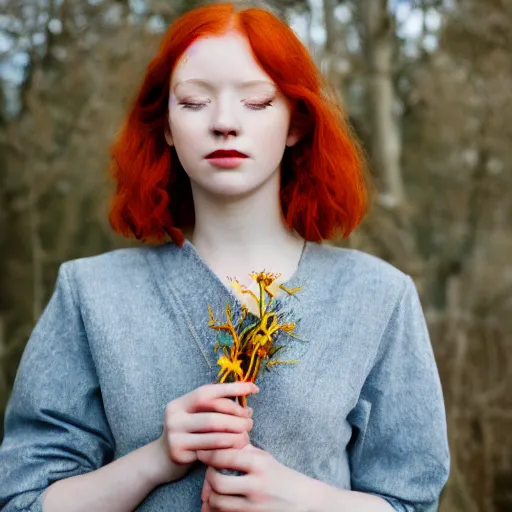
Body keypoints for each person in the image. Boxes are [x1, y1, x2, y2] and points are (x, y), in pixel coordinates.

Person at [0, 2, 450, 511]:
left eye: (257, 103)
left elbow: (412, 501)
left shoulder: (379, 297)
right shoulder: (89, 294)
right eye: (193, 102)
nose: (225, 123)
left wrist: (299, 498)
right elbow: (24, 500)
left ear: (296, 124)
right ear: (166, 125)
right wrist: (154, 459)